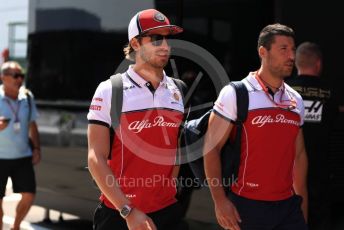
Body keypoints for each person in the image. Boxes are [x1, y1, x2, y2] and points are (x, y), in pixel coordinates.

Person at [87, 9, 188, 230]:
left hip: (168, 212)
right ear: (135, 44)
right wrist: (127, 210)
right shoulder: (110, 90)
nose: (165, 45)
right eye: (155, 38)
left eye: (167, 38)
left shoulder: (178, 89)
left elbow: (177, 148)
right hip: (119, 214)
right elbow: (95, 157)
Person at [204, 23, 308, 230]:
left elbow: (299, 155)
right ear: (263, 52)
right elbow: (210, 147)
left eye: (293, 49)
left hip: (288, 207)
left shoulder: (296, 99)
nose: (291, 56)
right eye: (283, 49)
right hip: (246, 206)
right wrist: (220, 201)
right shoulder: (235, 93)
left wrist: (302, 206)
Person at [287, 42, 339, 230]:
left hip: (287, 172)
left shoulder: (283, 92)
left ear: (296, 63)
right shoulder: (331, 94)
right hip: (322, 172)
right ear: (318, 64)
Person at [0, 61, 41, 230]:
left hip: (23, 156)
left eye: (21, 76)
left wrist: (37, 148)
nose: (19, 79)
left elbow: (33, 125)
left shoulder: (27, 97)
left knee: (29, 195)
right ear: (3, 77)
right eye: (15, 76)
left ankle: (15, 226)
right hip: (0, 157)